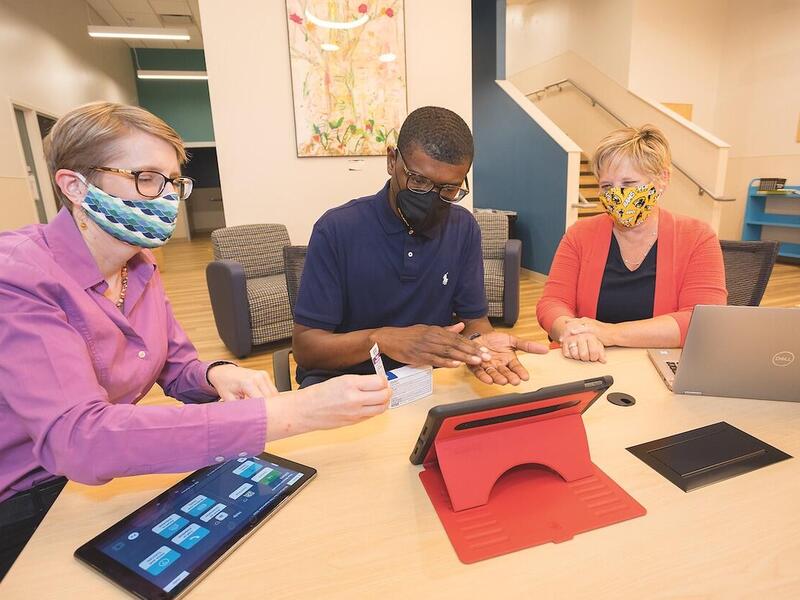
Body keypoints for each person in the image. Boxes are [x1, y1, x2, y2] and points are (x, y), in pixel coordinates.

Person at [0, 102, 390, 579]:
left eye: (172, 182)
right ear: (75, 186)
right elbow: (80, 439)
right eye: (146, 178)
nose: (166, 198)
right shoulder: (19, 277)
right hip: (25, 505)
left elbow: (174, 364)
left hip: (90, 484)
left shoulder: (136, 262)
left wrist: (218, 373)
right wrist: (292, 412)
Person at [292, 106, 547, 388]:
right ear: (392, 161)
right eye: (419, 180)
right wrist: (383, 339)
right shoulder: (337, 229)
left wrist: (479, 345)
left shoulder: (462, 228)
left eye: (448, 189)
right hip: (343, 381)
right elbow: (306, 348)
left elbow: (474, 322)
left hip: (427, 380)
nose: (431, 198)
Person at [536, 124, 727, 363]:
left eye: (629, 184)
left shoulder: (697, 237)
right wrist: (571, 332)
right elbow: (552, 302)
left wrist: (609, 333)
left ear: (662, 179)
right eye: (607, 186)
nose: (617, 195)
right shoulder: (579, 235)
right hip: (588, 363)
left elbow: (701, 321)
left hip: (659, 366)